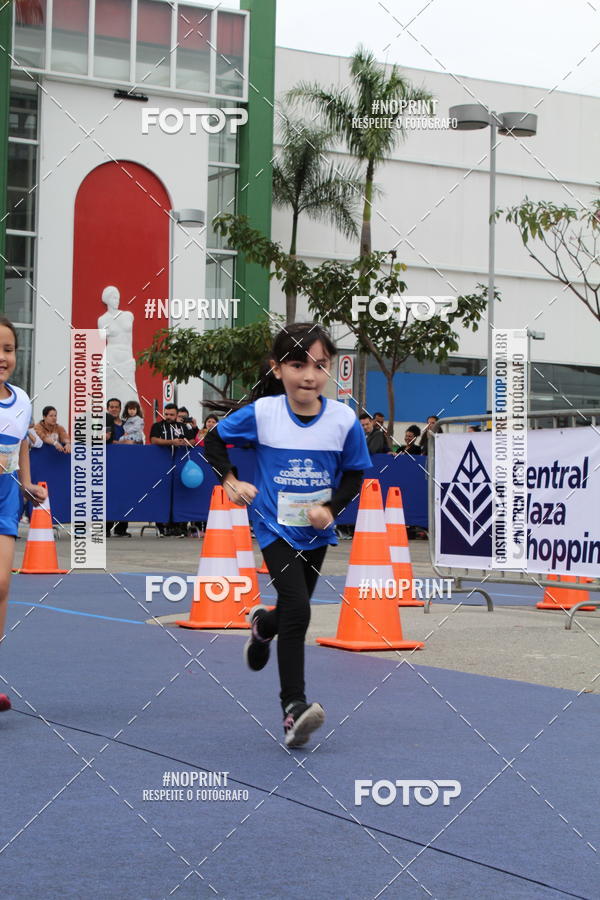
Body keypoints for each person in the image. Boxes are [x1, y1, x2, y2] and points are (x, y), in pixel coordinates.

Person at [203, 322, 371, 748]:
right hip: (273, 526)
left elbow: (354, 474)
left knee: (293, 608)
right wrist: (230, 480)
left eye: (320, 365)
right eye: (298, 365)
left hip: (315, 532)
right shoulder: (263, 414)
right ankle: (293, 708)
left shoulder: (342, 419)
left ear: (330, 369)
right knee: (299, 609)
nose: (309, 375)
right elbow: (214, 441)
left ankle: (263, 624)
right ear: (278, 369)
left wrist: (330, 509)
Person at [0, 317, 47, 712]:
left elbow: (22, 448)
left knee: (1, 585)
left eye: (8, 349)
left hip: (6, 498)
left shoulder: (23, 399)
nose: (2, 356)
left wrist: (28, 485)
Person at [98, 285, 140, 408]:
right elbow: (101, 337)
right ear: (106, 300)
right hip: (112, 356)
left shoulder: (128, 315)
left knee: (129, 390)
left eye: (117, 298)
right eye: (113, 298)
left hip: (126, 356)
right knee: (111, 390)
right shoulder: (102, 319)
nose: (116, 301)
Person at [150, 404, 188, 536]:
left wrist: (186, 443)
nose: (168, 417)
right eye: (166, 414)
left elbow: (193, 439)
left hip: (180, 466)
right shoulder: (157, 426)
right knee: (161, 496)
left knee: (180, 496)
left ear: (177, 415)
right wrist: (172, 442)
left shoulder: (183, 427)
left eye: (171, 415)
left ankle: (179, 527)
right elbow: (154, 440)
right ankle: (161, 527)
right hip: (161, 466)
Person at [105, 399, 132, 537]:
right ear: (107, 408)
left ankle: (121, 528)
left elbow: (135, 439)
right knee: (108, 495)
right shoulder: (103, 422)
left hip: (124, 465)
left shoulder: (127, 424)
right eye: (111, 407)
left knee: (124, 494)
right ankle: (106, 528)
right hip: (108, 464)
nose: (114, 409)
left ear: (120, 409)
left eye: (116, 407)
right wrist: (120, 443)